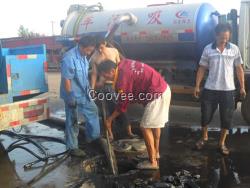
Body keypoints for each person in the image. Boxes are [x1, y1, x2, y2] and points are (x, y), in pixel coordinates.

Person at [97, 59, 171, 170]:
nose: (105, 79)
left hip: (156, 94)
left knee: (145, 127)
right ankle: (156, 153)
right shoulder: (123, 64)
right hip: (164, 89)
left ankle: (152, 162)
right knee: (155, 125)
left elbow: (123, 105)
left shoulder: (122, 80)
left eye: (105, 76)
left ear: (112, 71)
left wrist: (110, 119)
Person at [194, 23, 246, 155]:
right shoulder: (208, 49)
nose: (224, 40)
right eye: (222, 37)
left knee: (227, 118)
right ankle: (204, 137)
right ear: (216, 35)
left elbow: (239, 68)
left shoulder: (234, 49)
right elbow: (202, 68)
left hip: (228, 90)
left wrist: (242, 87)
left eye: (227, 38)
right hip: (210, 89)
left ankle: (222, 143)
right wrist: (197, 85)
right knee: (205, 115)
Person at [60, 36, 100, 157]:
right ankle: (72, 147)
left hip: (84, 93)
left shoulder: (84, 56)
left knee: (93, 111)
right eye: (88, 50)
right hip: (72, 94)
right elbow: (67, 79)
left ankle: (92, 139)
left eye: (90, 51)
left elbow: (85, 75)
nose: (89, 53)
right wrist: (70, 96)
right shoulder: (69, 57)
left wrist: (91, 89)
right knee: (72, 120)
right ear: (81, 46)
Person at [90, 37, 137, 140]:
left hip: (116, 85)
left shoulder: (114, 51)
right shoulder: (94, 57)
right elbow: (94, 74)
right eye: (98, 49)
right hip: (103, 86)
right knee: (105, 111)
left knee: (121, 108)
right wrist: (92, 89)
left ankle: (129, 131)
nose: (100, 50)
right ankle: (110, 134)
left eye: (101, 47)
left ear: (105, 43)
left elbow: (120, 67)